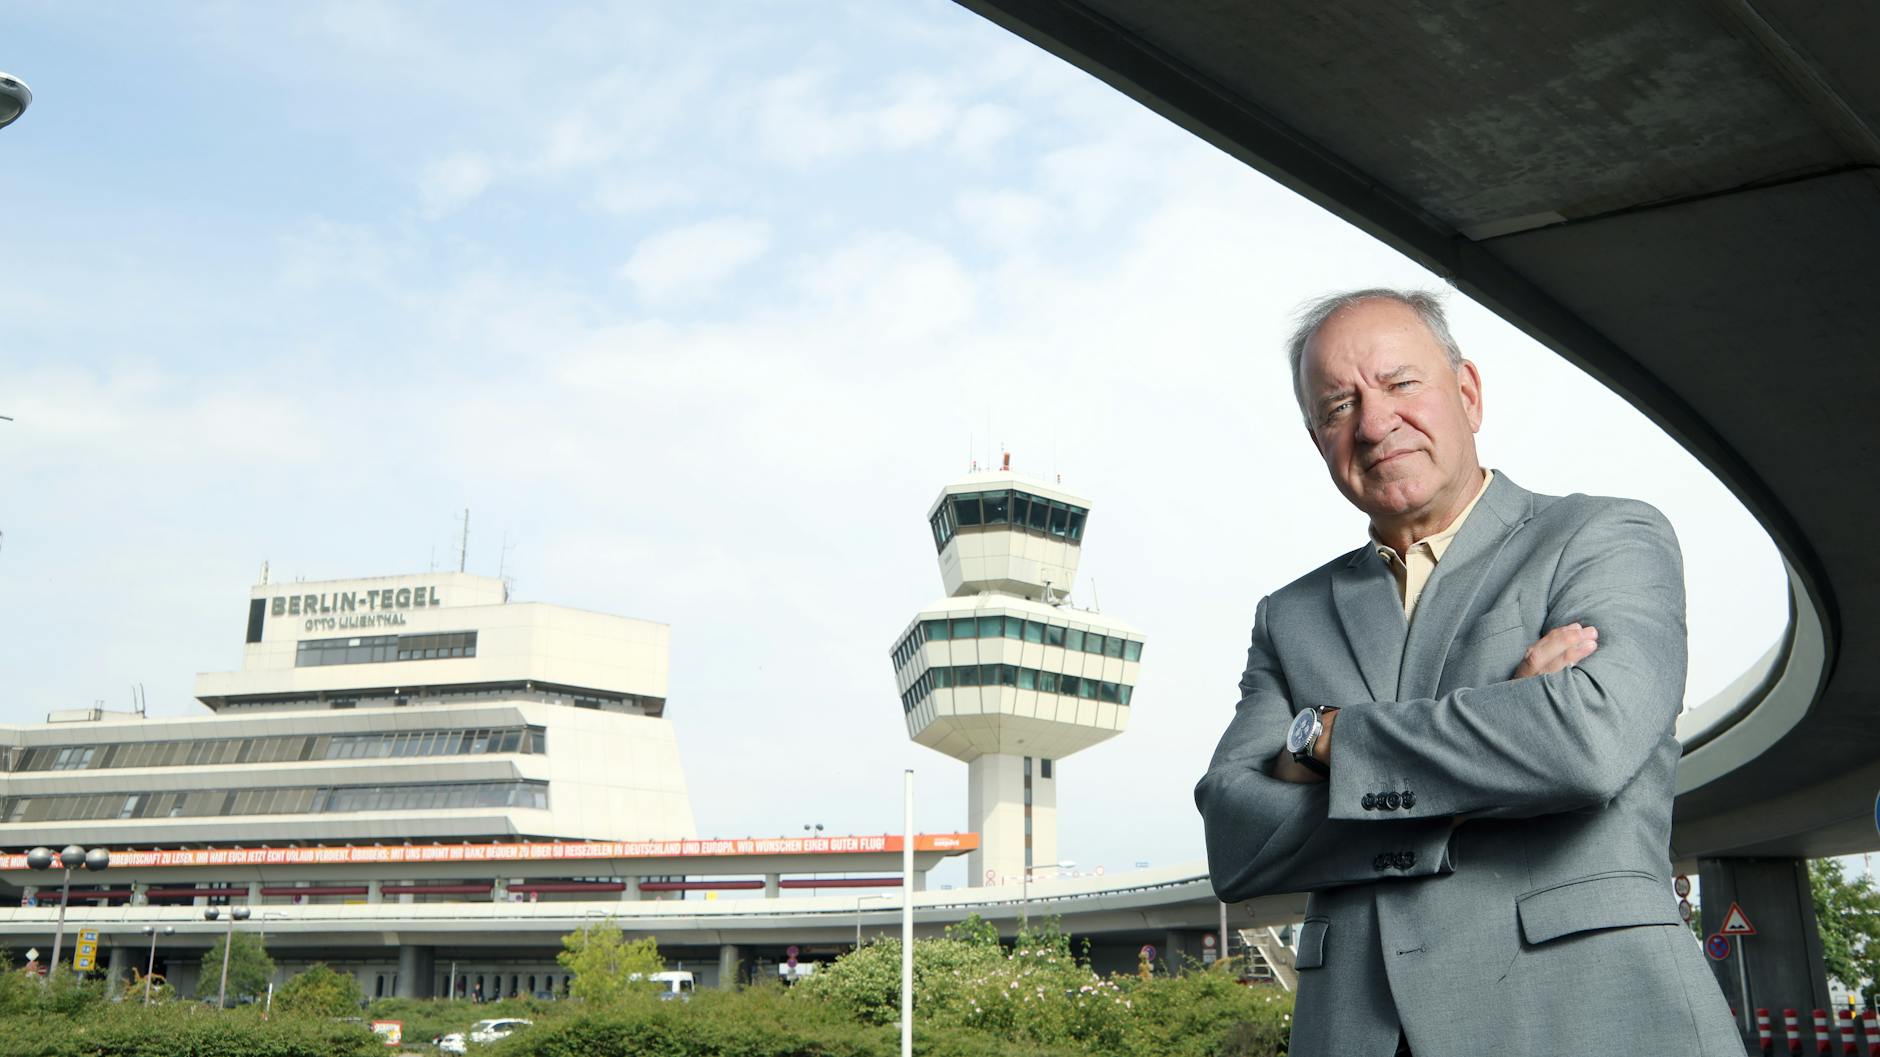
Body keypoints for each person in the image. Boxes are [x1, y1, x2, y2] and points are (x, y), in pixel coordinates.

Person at [1194, 289, 1739, 1057]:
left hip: (1591, 1020)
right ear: (1318, 438)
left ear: (1468, 393)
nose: (1376, 422)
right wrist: (1500, 725)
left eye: (1400, 383)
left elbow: (1585, 744)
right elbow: (1235, 837)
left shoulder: (1604, 535)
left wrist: (1326, 741)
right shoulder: (1291, 614)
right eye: (1340, 404)